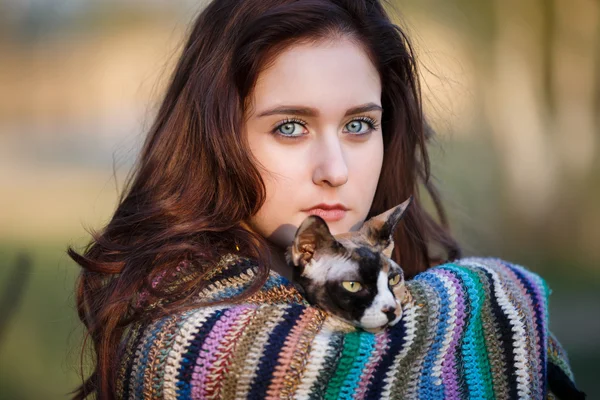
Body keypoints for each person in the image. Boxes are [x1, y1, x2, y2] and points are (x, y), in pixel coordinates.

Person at [68, 0, 584, 399]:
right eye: (290, 127)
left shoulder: (396, 279)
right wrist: (497, 294)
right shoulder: (180, 331)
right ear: (216, 139)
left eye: (360, 125)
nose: (335, 171)